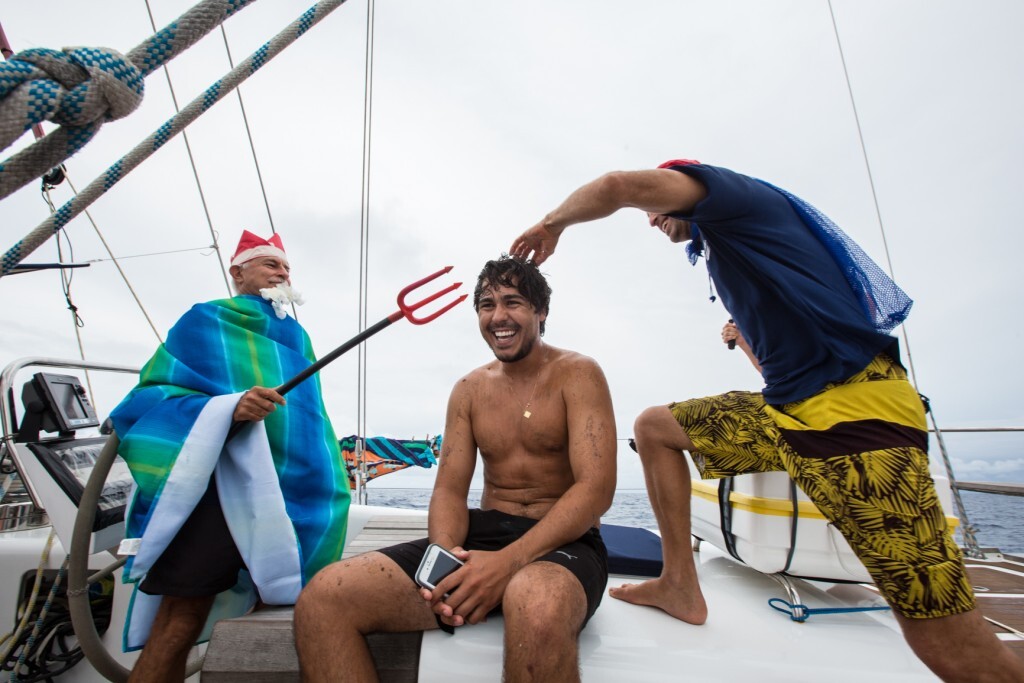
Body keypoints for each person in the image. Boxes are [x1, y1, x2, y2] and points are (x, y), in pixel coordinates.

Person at [508, 160, 1024, 682]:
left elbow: (618, 186)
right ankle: (680, 585)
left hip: (858, 426)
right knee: (655, 428)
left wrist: (553, 224)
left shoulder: (731, 198)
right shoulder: (733, 250)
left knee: (946, 642)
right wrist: (743, 341)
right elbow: (783, 364)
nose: (651, 218)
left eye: (656, 208)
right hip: (789, 415)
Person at [294, 256, 617, 683]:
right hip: (483, 533)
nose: (498, 316)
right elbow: (449, 491)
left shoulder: (579, 374)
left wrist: (506, 564)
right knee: (324, 597)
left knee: (536, 603)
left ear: (541, 312)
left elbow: (594, 489)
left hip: (564, 542)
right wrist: (444, 563)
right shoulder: (468, 390)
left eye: (513, 302)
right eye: (486, 304)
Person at [109, 231, 351, 683]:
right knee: (180, 620)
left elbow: (308, 417)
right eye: (270, 265)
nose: (283, 273)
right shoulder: (205, 321)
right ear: (237, 273)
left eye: (285, 268)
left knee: (275, 606)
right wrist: (229, 407)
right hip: (218, 493)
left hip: (291, 494)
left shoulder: (296, 335)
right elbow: (149, 400)